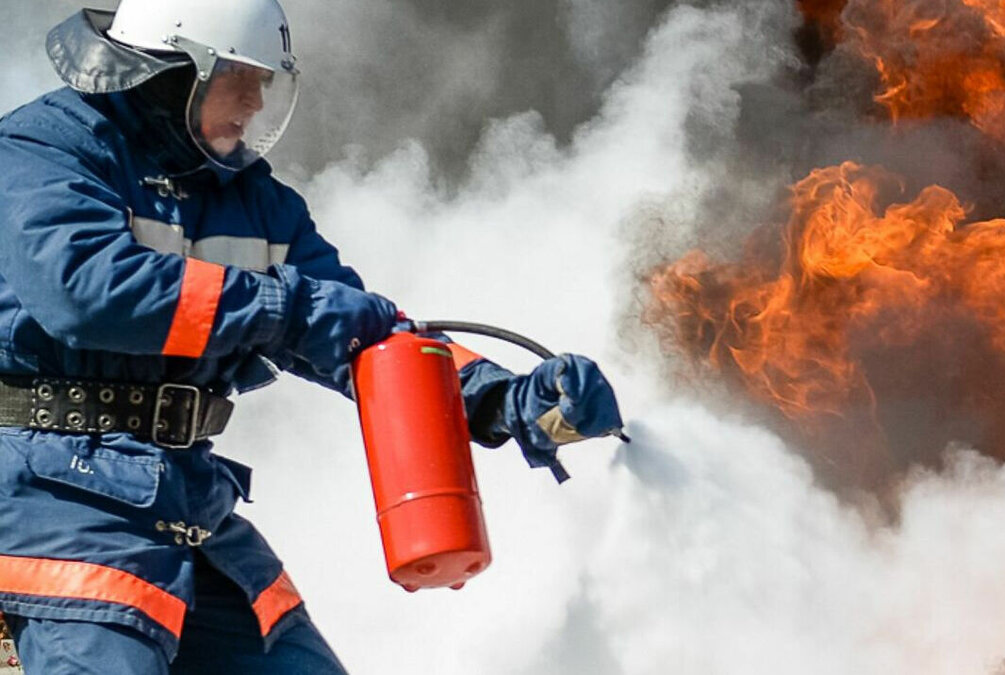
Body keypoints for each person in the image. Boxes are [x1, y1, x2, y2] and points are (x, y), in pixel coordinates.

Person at [0, 1, 624, 672]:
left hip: (185, 500)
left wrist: (503, 399)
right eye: (239, 77)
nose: (256, 101)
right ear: (173, 70)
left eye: (266, 81)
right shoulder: (45, 149)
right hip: (54, 499)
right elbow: (87, 292)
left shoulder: (253, 198)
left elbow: (359, 330)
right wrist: (283, 306)